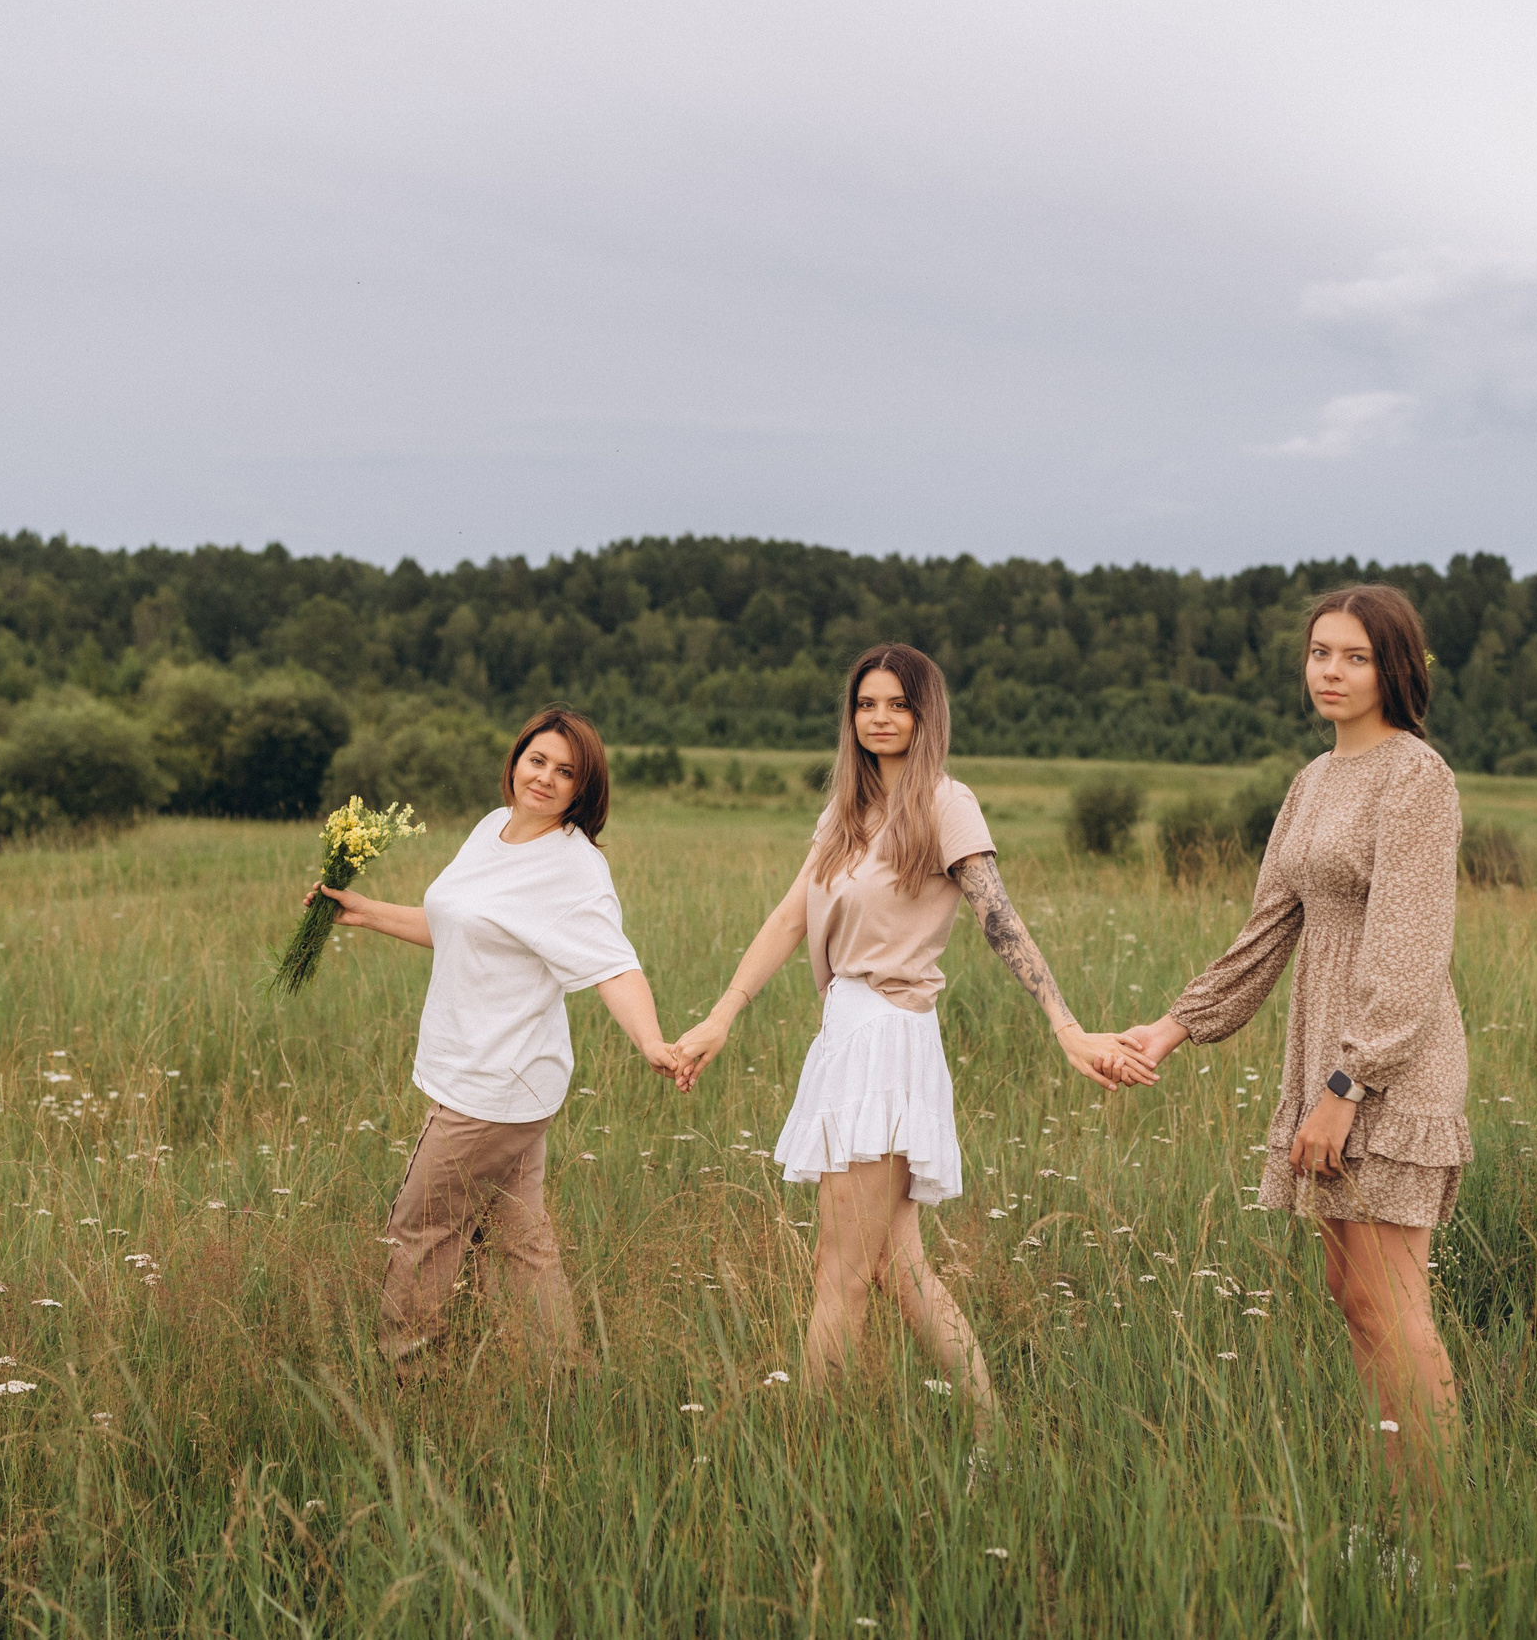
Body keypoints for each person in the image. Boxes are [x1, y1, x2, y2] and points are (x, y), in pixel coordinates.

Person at [672, 644, 1152, 1437]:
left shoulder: (944, 802)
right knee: (898, 1264)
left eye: (898, 704)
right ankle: (993, 1432)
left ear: (925, 715)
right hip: (846, 1032)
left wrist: (1064, 1024)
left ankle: (811, 1451)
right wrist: (722, 1014)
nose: (880, 717)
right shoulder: (845, 812)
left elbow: (1000, 917)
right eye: (867, 703)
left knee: (842, 1271)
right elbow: (791, 918)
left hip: (887, 1039)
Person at [1117, 584, 1470, 1487]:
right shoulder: (1312, 781)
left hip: (1387, 1067)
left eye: (1355, 655)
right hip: (1327, 1061)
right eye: (1321, 652)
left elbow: (1410, 948)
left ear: (1394, 666)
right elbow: (1269, 928)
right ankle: (1399, 1501)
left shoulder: (1415, 777)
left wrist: (1348, 1087)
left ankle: (1434, 1525)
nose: (1333, 670)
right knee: (1353, 1297)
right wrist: (1172, 1028)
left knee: (1393, 1303)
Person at [309, 705, 684, 1366]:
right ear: (515, 762)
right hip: (489, 1076)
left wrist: (651, 1041)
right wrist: (362, 911)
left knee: (420, 1226)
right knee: (519, 1241)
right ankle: (558, 1379)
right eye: (537, 760)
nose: (545, 778)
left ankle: (409, 1374)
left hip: (493, 1085)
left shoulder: (572, 867)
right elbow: (452, 923)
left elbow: (615, 963)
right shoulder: (492, 829)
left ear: (582, 789)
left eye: (565, 772)